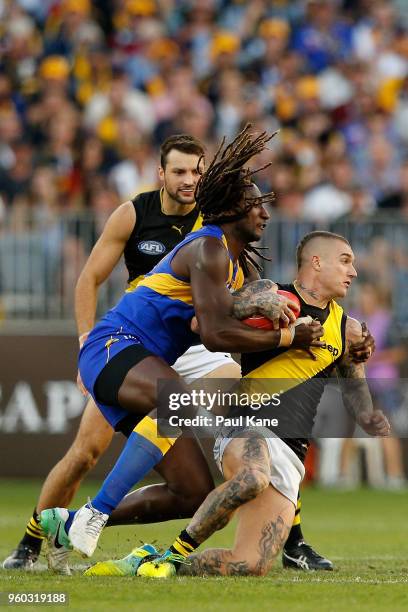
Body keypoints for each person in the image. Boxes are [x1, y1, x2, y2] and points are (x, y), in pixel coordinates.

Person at [38, 126, 325, 566]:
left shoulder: (228, 265)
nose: (264, 214)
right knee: (173, 403)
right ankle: (92, 515)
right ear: (231, 208)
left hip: (145, 363)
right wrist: (287, 334)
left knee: (190, 492)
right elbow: (213, 334)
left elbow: (205, 323)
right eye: (255, 205)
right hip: (114, 346)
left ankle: (68, 522)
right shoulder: (208, 248)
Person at [3, 133, 241, 573]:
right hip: (134, 342)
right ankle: (32, 541)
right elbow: (88, 279)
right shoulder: (134, 213)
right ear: (161, 174)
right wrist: (83, 345)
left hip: (192, 343)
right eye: (180, 172)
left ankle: (290, 529)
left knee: (238, 397)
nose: (190, 180)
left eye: (197, 172)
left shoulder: (215, 222)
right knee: (85, 453)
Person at [98, 230, 390, 578]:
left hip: (291, 455)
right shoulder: (269, 292)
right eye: (345, 261)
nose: (353, 271)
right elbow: (212, 318)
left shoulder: (350, 330)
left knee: (249, 564)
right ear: (316, 262)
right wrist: (251, 307)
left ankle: (148, 559)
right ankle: (172, 557)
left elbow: (354, 390)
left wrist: (368, 415)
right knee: (252, 476)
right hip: (247, 428)